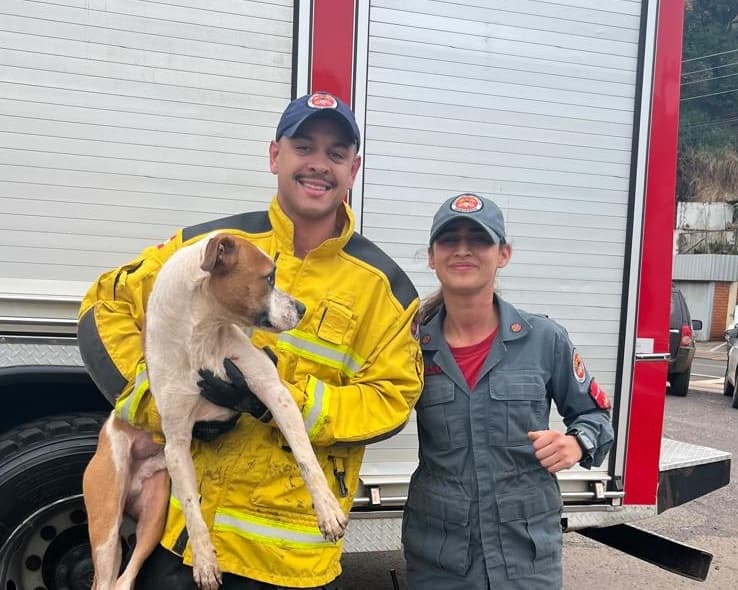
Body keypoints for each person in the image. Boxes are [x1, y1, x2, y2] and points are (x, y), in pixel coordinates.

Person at [77, 91, 424, 589]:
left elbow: (391, 401)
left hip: (292, 560)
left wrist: (278, 402)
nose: (318, 164)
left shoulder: (384, 289)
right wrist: (154, 400)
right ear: (274, 156)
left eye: (336, 153)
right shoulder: (210, 248)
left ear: (354, 170)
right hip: (188, 551)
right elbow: (104, 302)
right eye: (303, 147)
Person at [402, 193, 614, 589]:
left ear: (503, 254)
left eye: (478, 239)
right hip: (440, 559)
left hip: (526, 558)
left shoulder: (544, 339)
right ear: (431, 256)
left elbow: (595, 416)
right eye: (449, 240)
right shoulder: (409, 347)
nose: (463, 249)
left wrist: (576, 443)